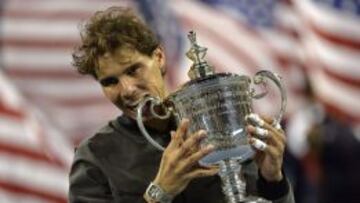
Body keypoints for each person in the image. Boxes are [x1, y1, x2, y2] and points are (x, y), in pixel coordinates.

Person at [69, 6, 295, 203]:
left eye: (133, 70)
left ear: (159, 57)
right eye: (110, 82)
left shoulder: (220, 124)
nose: (127, 90)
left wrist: (273, 180)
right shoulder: (94, 157)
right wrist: (160, 192)